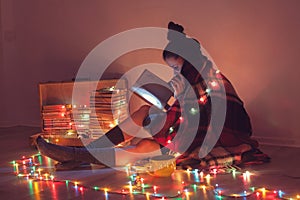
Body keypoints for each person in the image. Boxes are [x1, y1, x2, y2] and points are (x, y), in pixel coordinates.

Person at [36, 21, 269, 170]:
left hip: (212, 140)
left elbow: (200, 124)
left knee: (143, 146)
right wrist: (163, 109)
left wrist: (165, 113)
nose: (175, 73)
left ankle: (78, 156)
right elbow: (186, 116)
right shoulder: (195, 77)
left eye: (177, 68)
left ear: (188, 62)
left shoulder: (207, 80)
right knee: (144, 113)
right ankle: (83, 154)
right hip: (191, 131)